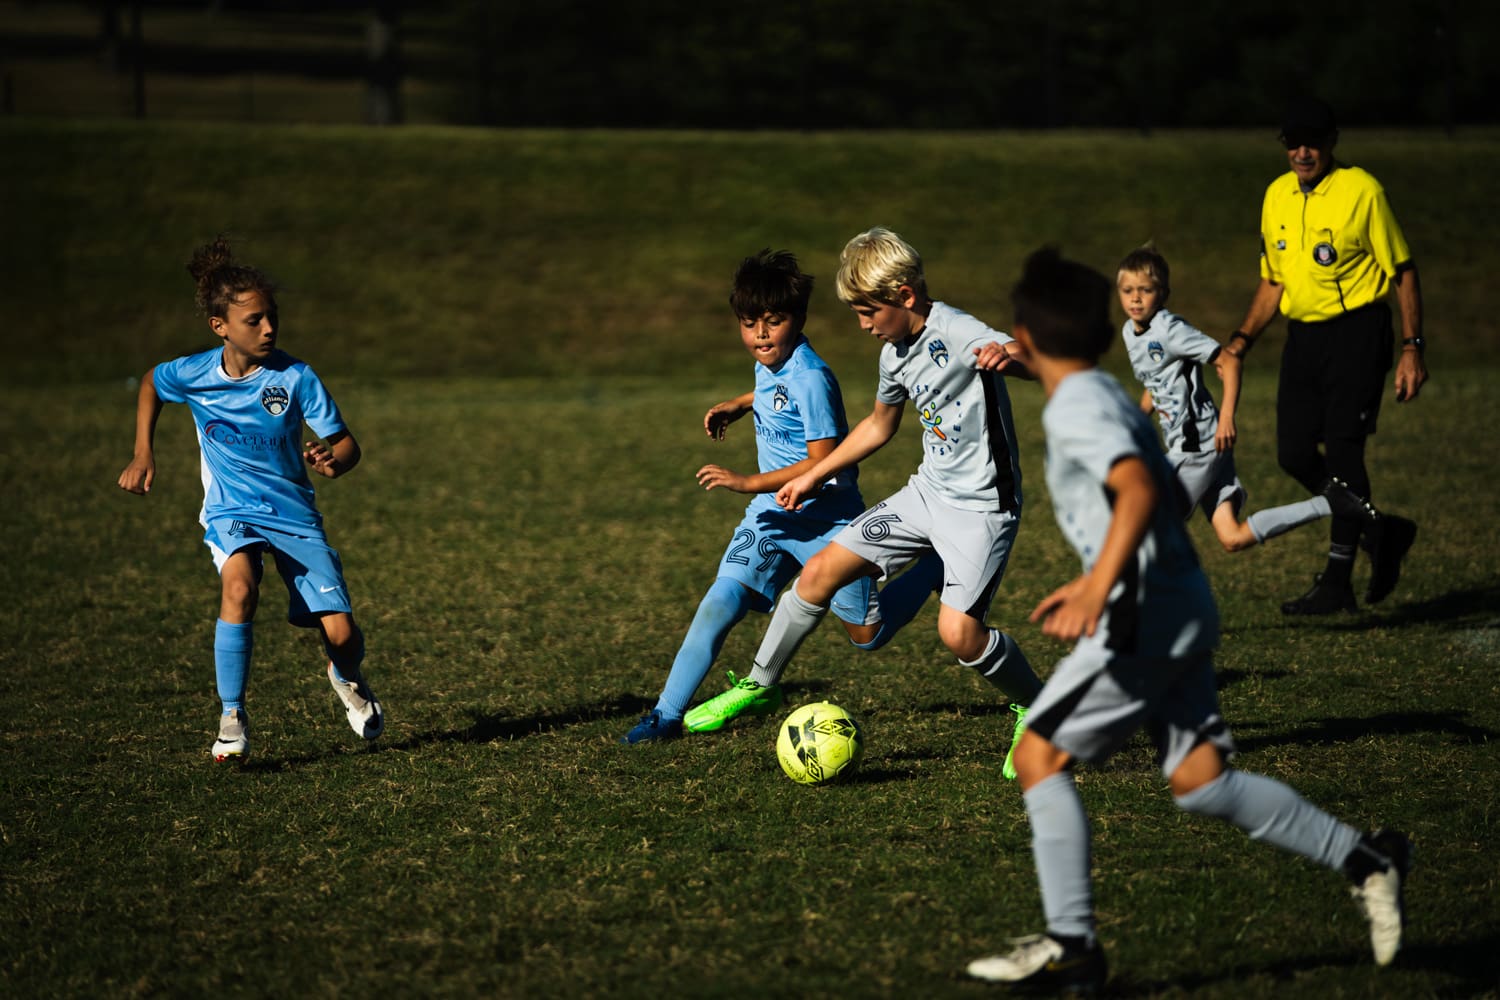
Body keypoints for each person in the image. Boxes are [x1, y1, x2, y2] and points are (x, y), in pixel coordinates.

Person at [965, 249, 1410, 994]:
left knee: (1039, 757)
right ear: (1108, 338)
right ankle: (1370, 859)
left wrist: (1095, 586)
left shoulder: (1076, 408)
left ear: (1023, 336)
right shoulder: (1105, 389)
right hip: (1184, 604)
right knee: (1202, 782)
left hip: (1139, 618)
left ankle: (1074, 948)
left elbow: (1139, 490)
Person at [694, 227, 1043, 779]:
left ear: (904, 296)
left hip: (982, 509)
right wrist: (816, 476)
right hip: (926, 494)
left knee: (960, 635)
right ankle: (760, 685)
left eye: (867, 310)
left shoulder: (957, 330)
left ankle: (1039, 712)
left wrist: (1012, 355)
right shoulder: (893, 355)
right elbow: (880, 425)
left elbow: (1031, 354)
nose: (862, 324)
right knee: (819, 573)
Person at [621, 249, 941, 744]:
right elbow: (772, 390)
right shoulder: (769, 362)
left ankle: (932, 568)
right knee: (720, 600)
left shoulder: (813, 377)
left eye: (774, 322)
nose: (762, 336)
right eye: (751, 324)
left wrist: (747, 481)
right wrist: (740, 405)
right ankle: (664, 716)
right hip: (772, 515)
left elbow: (824, 458)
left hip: (827, 521)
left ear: (799, 319)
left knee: (867, 636)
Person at [117, 237, 384, 763]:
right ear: (220, 327)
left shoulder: (295, 376)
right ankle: (232, 717)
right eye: (254, 320)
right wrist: (143, 452)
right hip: (230, 510)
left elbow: (348, 444)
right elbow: (151, 382)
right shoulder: (195, 374)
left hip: (293, 514)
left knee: (343, 634)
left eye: (272, 317)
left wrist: (335, 461)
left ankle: (345, 675)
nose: (268, 328)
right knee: (239, 589)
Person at [1227, 95, 1425, 615]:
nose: (1303, 152)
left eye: (1313, 141)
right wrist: (1243, 339)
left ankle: (1338, 578)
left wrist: (1411, 348)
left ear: (1332, 142)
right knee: (1291, 452)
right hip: (1304, 337)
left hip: (1358, 333)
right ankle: (1380, 528)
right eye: (1293, 143)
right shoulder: (1276, 196)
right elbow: (1273, 279)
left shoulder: (1363, 191)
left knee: (1343, 452)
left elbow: (1403, 269)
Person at [1118, 244, 1378, 552]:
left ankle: (1144, 599)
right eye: (1128, 290)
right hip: (1196, 443)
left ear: (1163, 293)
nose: (1135, 298)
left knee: (1151, 528)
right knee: (1232, 537)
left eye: (1145, 290)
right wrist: (1135, 421)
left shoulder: (1169, 329)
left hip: (1199, 444)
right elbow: (1156, 381)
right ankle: (1333, 503)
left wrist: (1227, 418)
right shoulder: (1129, 332)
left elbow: (1229, 362)